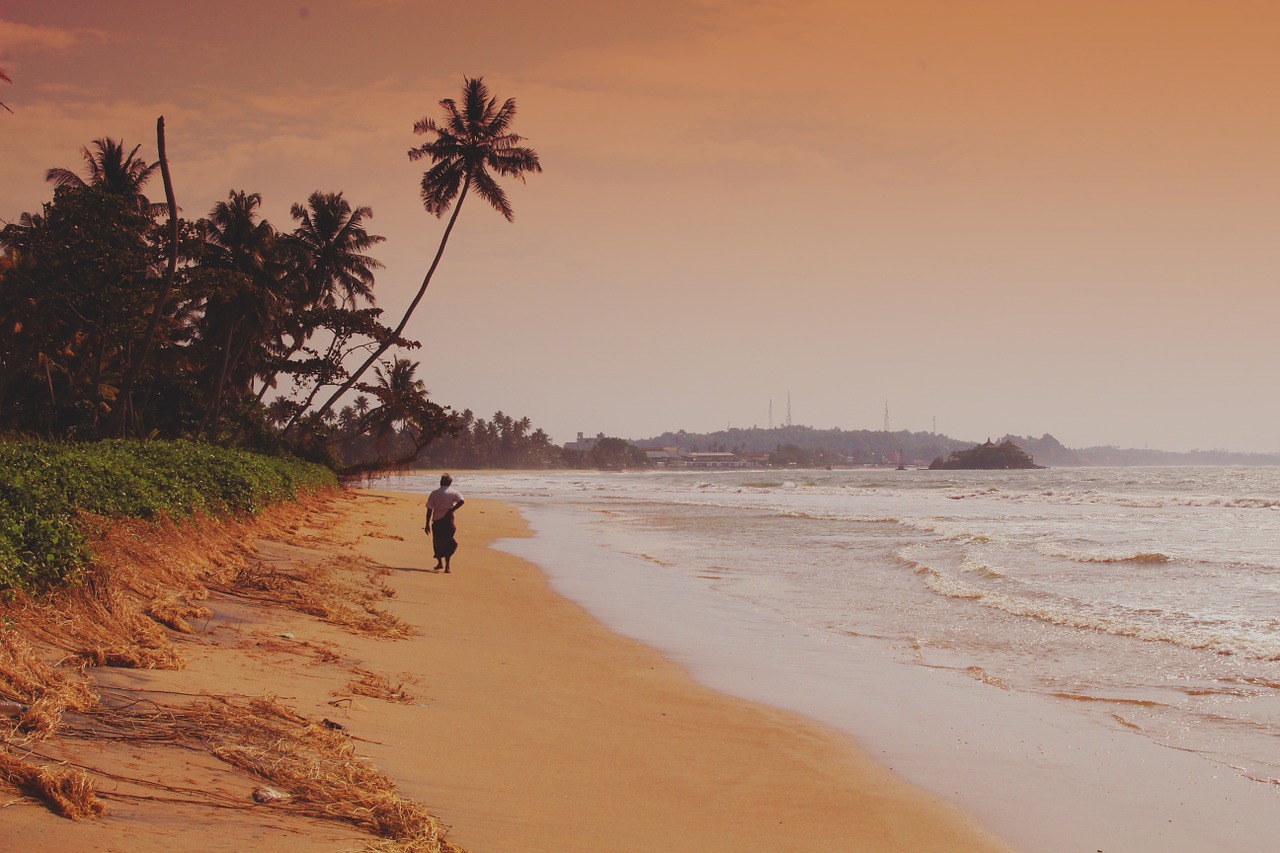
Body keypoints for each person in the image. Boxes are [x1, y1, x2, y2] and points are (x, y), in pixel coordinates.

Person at [425, 473, 465, 572]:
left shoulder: (434, 493)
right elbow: (461, 501)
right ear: (450, 483)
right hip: (449, 521)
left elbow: (429, 509)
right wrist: (452, 510)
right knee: (447, 542)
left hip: (437, 521)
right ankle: (447, 566)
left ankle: (439, 563)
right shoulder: (454, 492)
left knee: (437, 542)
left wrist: (427, 524)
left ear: (440, 482)